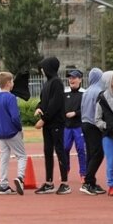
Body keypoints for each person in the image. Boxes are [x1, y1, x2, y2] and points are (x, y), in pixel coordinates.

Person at [34, 57, 70, 194]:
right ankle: (49, 182)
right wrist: (38, 107)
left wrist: (43, 119)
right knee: (47, 151)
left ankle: (65, 183)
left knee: (59, 150)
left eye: (43, 67)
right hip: (48, 124)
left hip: (56, 123)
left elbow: (55, 104)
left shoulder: (57, 83)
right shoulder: (47, 83)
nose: (42, 70)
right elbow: (44, 100)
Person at [0, 72, 27, 195]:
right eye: (12, 81)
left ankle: (3, 184)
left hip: (0, 133)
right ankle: (20, 177)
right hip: (12, 131)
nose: (13, 83)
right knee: (21, 156)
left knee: (4, 158)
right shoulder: (11, 98)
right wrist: (19, 129)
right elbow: (15, 117)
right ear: (8, 83)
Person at [79, 68, 107, 195]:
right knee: (98, 153)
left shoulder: (87, 91)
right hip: (93, 124)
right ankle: (88, 181)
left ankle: (91, 181)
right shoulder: (100, 91)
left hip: (85, 123)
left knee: (90, 153)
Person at [63, 70, 87, 184]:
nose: (71, 80)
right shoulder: (64, 93)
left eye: (74, 78)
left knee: (81, 150)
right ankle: (65, 169)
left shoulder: (84, 93)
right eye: (70, 78)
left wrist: (75, 113)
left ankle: (83, 173)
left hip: (79, 127)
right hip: (66, 127)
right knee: (65, 148)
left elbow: (87, 109)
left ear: (80, 79)